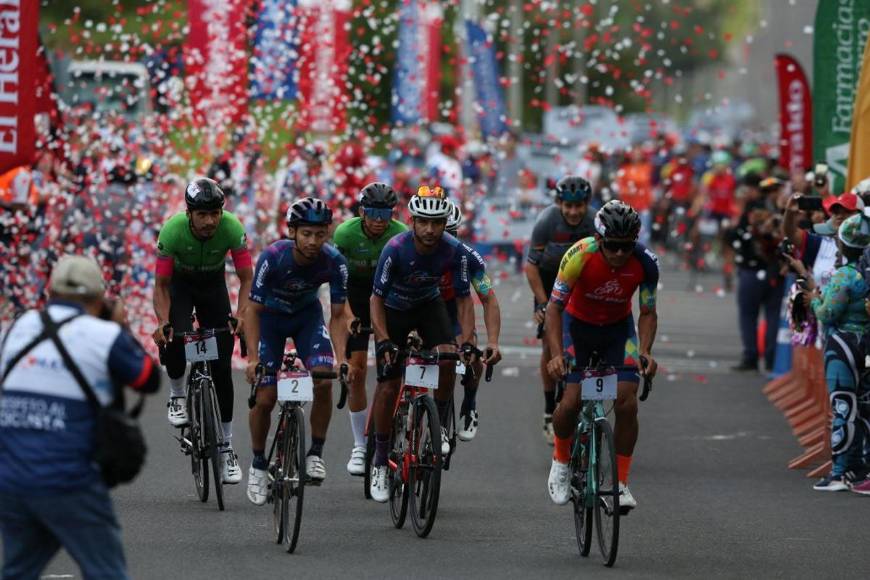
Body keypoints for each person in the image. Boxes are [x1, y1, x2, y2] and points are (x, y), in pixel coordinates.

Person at [0, 255, 160, 579]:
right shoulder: (103, 335)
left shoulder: (14, 328)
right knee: (106, 572)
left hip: (11, 480)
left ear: (49, 293)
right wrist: (120, 326)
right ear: (99, 299)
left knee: (18, 571)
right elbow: (149, 379)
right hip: (69, 482)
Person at [544, 200, 659, 511]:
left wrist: (645, 351)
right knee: (571, 400)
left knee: (626, 400)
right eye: (612, 246)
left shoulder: (645, 262)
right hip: (576, 327)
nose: (619, 254)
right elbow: (554, 308)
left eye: (626, 247)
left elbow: (647, 311)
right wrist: (555, 354)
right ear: (599, 239)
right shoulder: (580, 255)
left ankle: (620, 485)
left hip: (618, 330)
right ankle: (562, 461)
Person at [367, 191, 475, 502]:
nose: (430, 230)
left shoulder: (455, 250)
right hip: (394, 309)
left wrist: (467, 341)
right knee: (388, 385)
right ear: (412, 222)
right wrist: (384, 339)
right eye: (424, 223)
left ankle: (438, 424)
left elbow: (465, 299)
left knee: (447, 357)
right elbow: (375, 299)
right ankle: (379, 461)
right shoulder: (395, 249)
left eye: (437, 223)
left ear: (445, 224)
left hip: (428, 305)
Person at [244, 197, 350, 504]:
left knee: (324, 378)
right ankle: (259, 463)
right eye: (306, 234)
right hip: (270, 322)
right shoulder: (273, 257)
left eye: (320, 234)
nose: (314, 241)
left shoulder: (334, 261)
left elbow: (340, 314)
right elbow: (252, 311)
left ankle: (315, 452)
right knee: (265, 397)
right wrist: (252, 359)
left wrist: (342, 360)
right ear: (292, 231)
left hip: (307, 319)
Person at [151, 177, 253, 485]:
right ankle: (178, 394)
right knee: (176, 339)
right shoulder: (172, 231)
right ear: (189, 213)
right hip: (180, 288)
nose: (210, 221)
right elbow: (161, 286)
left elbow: (247, 279)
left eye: (215, 214)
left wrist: (241, 315)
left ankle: (226, 448)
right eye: (202, 215)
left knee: (222, 368)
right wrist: (163, 322)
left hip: (213, 288)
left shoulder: (232, 229)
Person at [785, 214, 870, 491]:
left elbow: (827, 312)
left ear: (844, 244)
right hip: (862, 342)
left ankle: (840, 472)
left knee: (843, 407)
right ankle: (857, 470)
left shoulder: (845, 275)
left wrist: (815, 300)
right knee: (859, 408)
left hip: (842, 344)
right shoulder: (862, 273)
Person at [332, 182, 407, 475]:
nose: (379, 220)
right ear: (362, 212)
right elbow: (338, 283)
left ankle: (391, 428)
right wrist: (348, 315)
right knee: (358, 369)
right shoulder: (345, 234)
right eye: (373, 213)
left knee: (392, 373)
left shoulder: (400, 234)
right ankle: (360, 447)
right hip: (357, 296)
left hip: (389, 297)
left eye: (385, 214)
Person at [525, 176, 596, 444]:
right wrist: (543, 302)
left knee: (585, 338)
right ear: (559, 203)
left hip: (580, 282)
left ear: (587, 204)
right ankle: (547, 407)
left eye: (579, 206)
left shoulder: (594, 221)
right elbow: (531, 266)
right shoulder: (546, 221)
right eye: (568, 206)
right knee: (549, 344)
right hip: (549, 279)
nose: (574, 212)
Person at [441, 199, 503, 440]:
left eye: (450, 233)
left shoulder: (469, 258)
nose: (442, 239)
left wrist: (494, 342)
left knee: (472, 354)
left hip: (454, 311)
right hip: (420, 309)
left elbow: (489, 299)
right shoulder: (409, 249)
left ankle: (469, 403)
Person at [727, 200, 786, 371]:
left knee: (748, 316)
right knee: (773, 316)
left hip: (751, 274)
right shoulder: (776, 229)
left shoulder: (745, 229)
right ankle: (771, 358)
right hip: (774, 275)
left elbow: (730, 239)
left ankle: (751, 356)